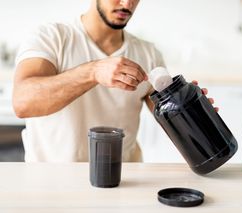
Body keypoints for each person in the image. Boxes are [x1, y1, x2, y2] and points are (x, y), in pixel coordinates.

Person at [12, 0, 215, 162]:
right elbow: (22, 102)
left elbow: (172, 120)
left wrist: (192, 113)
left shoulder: (149, 54)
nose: (127, 4)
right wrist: (93, 71)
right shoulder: (52, 37)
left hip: (121, 180)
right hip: (53, 180)